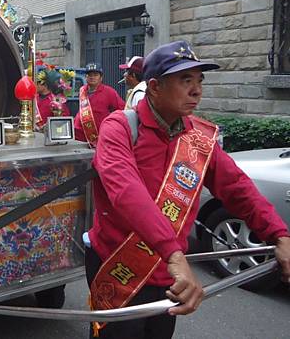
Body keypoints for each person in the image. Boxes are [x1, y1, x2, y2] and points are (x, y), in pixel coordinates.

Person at [85, 40, 290, 339]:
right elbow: (126, 192)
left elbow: (236, 186)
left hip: (169, 274)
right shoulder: (119, 128)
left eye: (199, 81)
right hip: (120, 267)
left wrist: (278, 234)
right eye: (185, 81)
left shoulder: (197, 137)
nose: (197, 90)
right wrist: (174, 254)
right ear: (154, 87)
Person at [74, 63, 124, 145]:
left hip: (98, 138)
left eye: (95, 75)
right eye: (89, 74)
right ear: (86, 77)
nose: (92, 77)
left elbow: (122, 110)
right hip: (78, 137)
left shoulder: (109, 92)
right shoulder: (82, 90)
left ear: (101, 78)